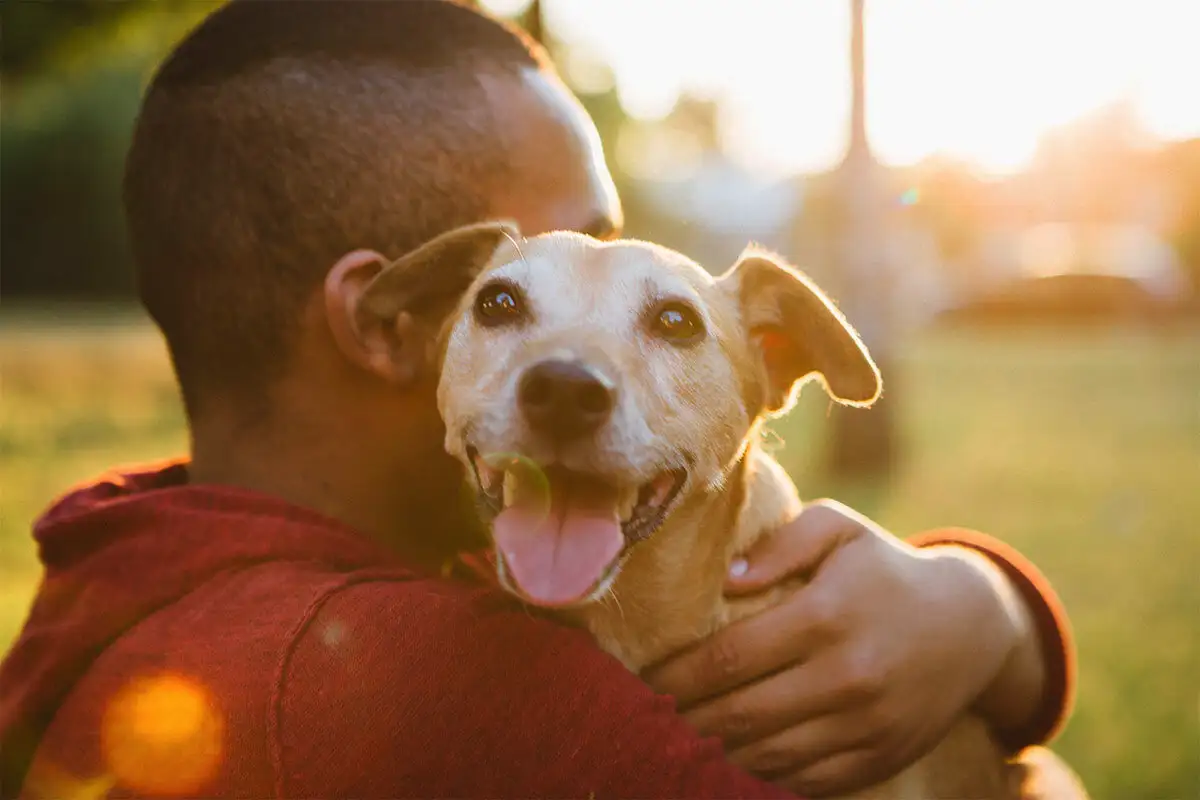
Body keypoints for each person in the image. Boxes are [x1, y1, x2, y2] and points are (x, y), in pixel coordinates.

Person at [0, 2, 1073, 798]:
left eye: (657, 314)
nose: (577, 366)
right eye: (516, 295)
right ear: (393, 320)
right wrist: (996, 620)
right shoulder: (474, 691)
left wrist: (984, 608)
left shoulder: (117, 568)